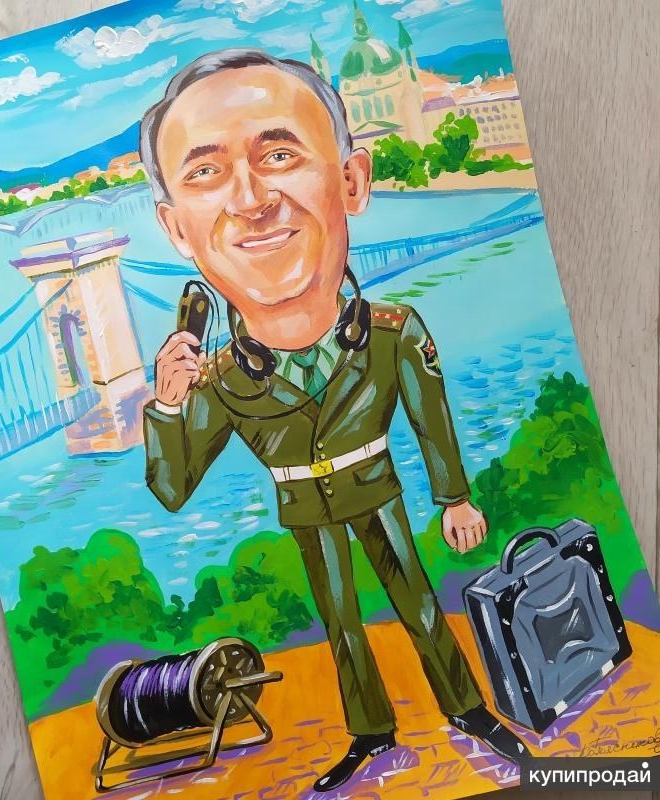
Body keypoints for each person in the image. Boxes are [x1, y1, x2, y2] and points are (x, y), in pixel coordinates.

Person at [140, 48, 528, 792]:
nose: (251, 199)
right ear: (177, 230)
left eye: (279, 155)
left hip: (375, 490)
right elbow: (173, 488)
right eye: (206, 172)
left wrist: (454, 498)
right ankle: (371, 734)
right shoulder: (219, 378)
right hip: (305, 509)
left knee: (420, 607)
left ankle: (470, 712)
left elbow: (432, 418)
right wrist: (166, 405)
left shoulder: (392, 333)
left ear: (351, 181)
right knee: (342, 626)